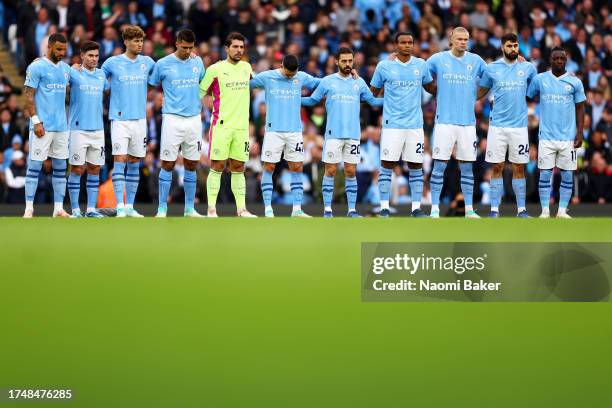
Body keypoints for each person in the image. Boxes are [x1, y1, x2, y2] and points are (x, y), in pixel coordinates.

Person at [302, 47, 383, 218]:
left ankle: (352, 210)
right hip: (333, 134)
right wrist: (292, 98)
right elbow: (312, 100)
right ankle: (327, 210)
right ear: (335, 61)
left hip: (354, 135)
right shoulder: (327, 81)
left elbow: (373, 101)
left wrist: (396, 99)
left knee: (351, 172)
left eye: (350, 61)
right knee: (330, 170)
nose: (347, 64)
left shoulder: (359, 82)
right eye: (344, 61)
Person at [370, 31, 436, 217]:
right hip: (392, 124)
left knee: (416, 165)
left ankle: (416, 208)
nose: (407, 45)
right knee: (386, 164)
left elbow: (431, 88)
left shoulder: (421, 65)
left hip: (415, 125)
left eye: (410, 42)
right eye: (403, 42)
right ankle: (384, 207)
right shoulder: (384, 66)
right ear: (396, 45)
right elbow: (372, 93)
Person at [426, 27, 487, 218]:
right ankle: (434, 209)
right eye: (459, 39)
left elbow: (492, 77)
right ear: (451, 39)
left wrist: (475, 96)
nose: (463, 42)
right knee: (439, 165)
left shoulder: (476, 61)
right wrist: (435, 91)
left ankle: (469, 209)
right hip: (444, 121)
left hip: (468, 123)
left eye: (466, 39)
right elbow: (420, 73)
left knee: (467, 166)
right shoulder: (438, 59)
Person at [250, 54, 321, 218]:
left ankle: (297, 209)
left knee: (297, 168)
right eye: (288, 73)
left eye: (293, 74)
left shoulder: (301, 76)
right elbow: (247, 83)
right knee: (268, 168)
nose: (291, 76)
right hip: (273, 131)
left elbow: (320, 82)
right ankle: (268, 208)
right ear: (281, 65)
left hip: (294, 132)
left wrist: (341, 76)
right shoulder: (268, 77)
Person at [477, 33, 536, 218]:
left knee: (519, 167)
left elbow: (533, 91)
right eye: (509, 46)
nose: (513, 49)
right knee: (497, 167)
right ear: (502, 47)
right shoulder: (492, 68)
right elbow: (481, 91)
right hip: (498, 127)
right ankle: (494, 210)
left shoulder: (527, 67)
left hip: (519, 126)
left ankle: (521, 210)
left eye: (516, 45)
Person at [148, 29, 205, 218]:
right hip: (172, 118)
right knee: (167, 163)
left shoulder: (198, 62)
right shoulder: (163, 64)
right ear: (177, 43)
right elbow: (151, 85)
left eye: (191, 48)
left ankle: (189, 208)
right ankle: (162, 208)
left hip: (194, 119)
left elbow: (203, 85)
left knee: (191, 163)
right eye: (185, 47)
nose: (188, 51)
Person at [199, 32, 256, 218]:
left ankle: (241, 209)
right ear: (226, 49)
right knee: (217, 166)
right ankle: (211, 209)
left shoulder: (247, 68)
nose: (239, 50)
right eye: (235, 47)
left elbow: (259, 82)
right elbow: (199, 92)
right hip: (221, 126)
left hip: (241, 128)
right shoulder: (215, 69)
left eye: (241, 47)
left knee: (239, 167)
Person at [101, 26, 155, 217]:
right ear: (126, 42)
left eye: (141, 41)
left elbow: (157, 79)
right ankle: (120, 206)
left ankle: (130, 207)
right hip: (119, 119)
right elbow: (97, 77)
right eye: (135, 41)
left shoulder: (148, 62)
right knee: (120, 160)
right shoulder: (112, 63)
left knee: (134, 162)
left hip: (140, 120)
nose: (139, 44)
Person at [526, 47, 586, 218]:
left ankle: (562, 211)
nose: (559, 61)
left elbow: (581, 107)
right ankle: (545, 210)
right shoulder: (540, 79)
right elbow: (528, 96)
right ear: (550, 60)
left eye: (562, 58)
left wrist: (580, 133)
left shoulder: (575, 82)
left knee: (567, 174)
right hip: (546, 136)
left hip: (568, 137)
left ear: (565, 60)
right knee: (545, 173)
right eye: (556, 58)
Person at [22, 33, 71, 218]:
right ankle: (29, 208)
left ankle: (58, 208)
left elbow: (78, 71)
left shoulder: (66, 69)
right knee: (34, 166)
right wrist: (35, 121)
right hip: (42, 125)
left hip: (61, 126)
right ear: (49, 46)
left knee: (60, 167)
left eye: (64, 50)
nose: (61, 53)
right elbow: (28, 95)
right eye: (58, 49)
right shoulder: (36, 66)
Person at [66, 41, 109, 218]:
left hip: (98, 130)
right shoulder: (73, 73)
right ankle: (75, 210)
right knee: (76, 169)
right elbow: (56, 72)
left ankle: (91, 209)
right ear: (82, 55)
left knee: (94, 169)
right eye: (90, 55)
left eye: (96, 56)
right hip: (78, 130)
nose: (94, 59)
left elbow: (107, 90)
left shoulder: (101, 76)